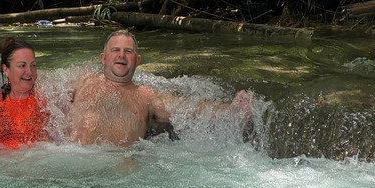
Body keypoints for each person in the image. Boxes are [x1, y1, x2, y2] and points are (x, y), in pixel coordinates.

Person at [69, 28, 252, 147]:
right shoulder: (82, 80)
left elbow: (188, 109)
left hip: (119, 171)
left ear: (137, 61)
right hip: (72, 160)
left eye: (128, 51)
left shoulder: (145, 96)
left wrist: (231, 111)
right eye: (115, 50)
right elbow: (45, 88)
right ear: (103, 58)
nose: (121, 56)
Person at [0, 37, 47, 148]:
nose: (30, 72)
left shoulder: (45, 97)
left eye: (33, 65)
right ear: (6, 70)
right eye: (22, 65)